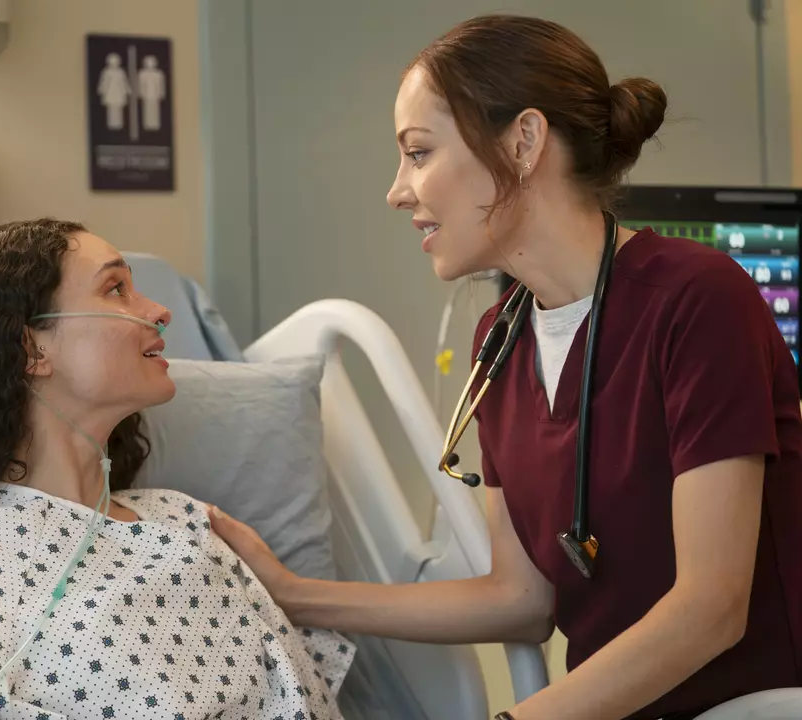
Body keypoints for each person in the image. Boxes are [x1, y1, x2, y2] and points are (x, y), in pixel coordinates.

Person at [208, 14, 802, 720]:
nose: (398, 191)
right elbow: (521, 599)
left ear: (524, 141)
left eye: (419, 153)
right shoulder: (500, 342)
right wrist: (295, 595)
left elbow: (711, 609)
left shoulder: (696, 300)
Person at [0, 218, 353, 720]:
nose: (159, 312)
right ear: (31, 349)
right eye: (116, 288)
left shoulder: (187, 522)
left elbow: (302, 696)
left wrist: (294, 594)